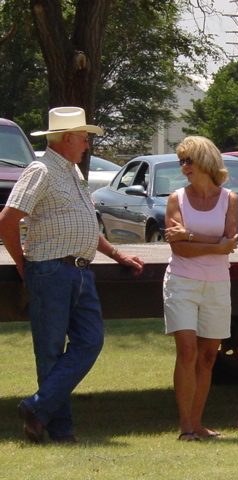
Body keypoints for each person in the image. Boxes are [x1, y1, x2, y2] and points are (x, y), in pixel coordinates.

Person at [0, 106, 144, 443]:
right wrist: (23, 264)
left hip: (79, 270)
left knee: (90, 341)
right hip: (49, 268)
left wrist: (116, 253)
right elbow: (7, 221)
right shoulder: (41, 171)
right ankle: (59, 430)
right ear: (67, 138)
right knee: (50, 350)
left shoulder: (72, 172)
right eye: (83, 137)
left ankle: (37, 408)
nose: (87, 144)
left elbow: (84, 225)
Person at [163, 136, 238, 441]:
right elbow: (179, 248)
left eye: (188, 160)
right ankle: (185, 427)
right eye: (181, 161)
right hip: (182, 282)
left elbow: (230, 244)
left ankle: (197, 423)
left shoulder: (229, 198)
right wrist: (213, 243)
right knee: (187, 351)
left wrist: (192, 235)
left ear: (205, 161)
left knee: (208, 356)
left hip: (218, 284)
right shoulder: (176, 199)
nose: (184, 167)